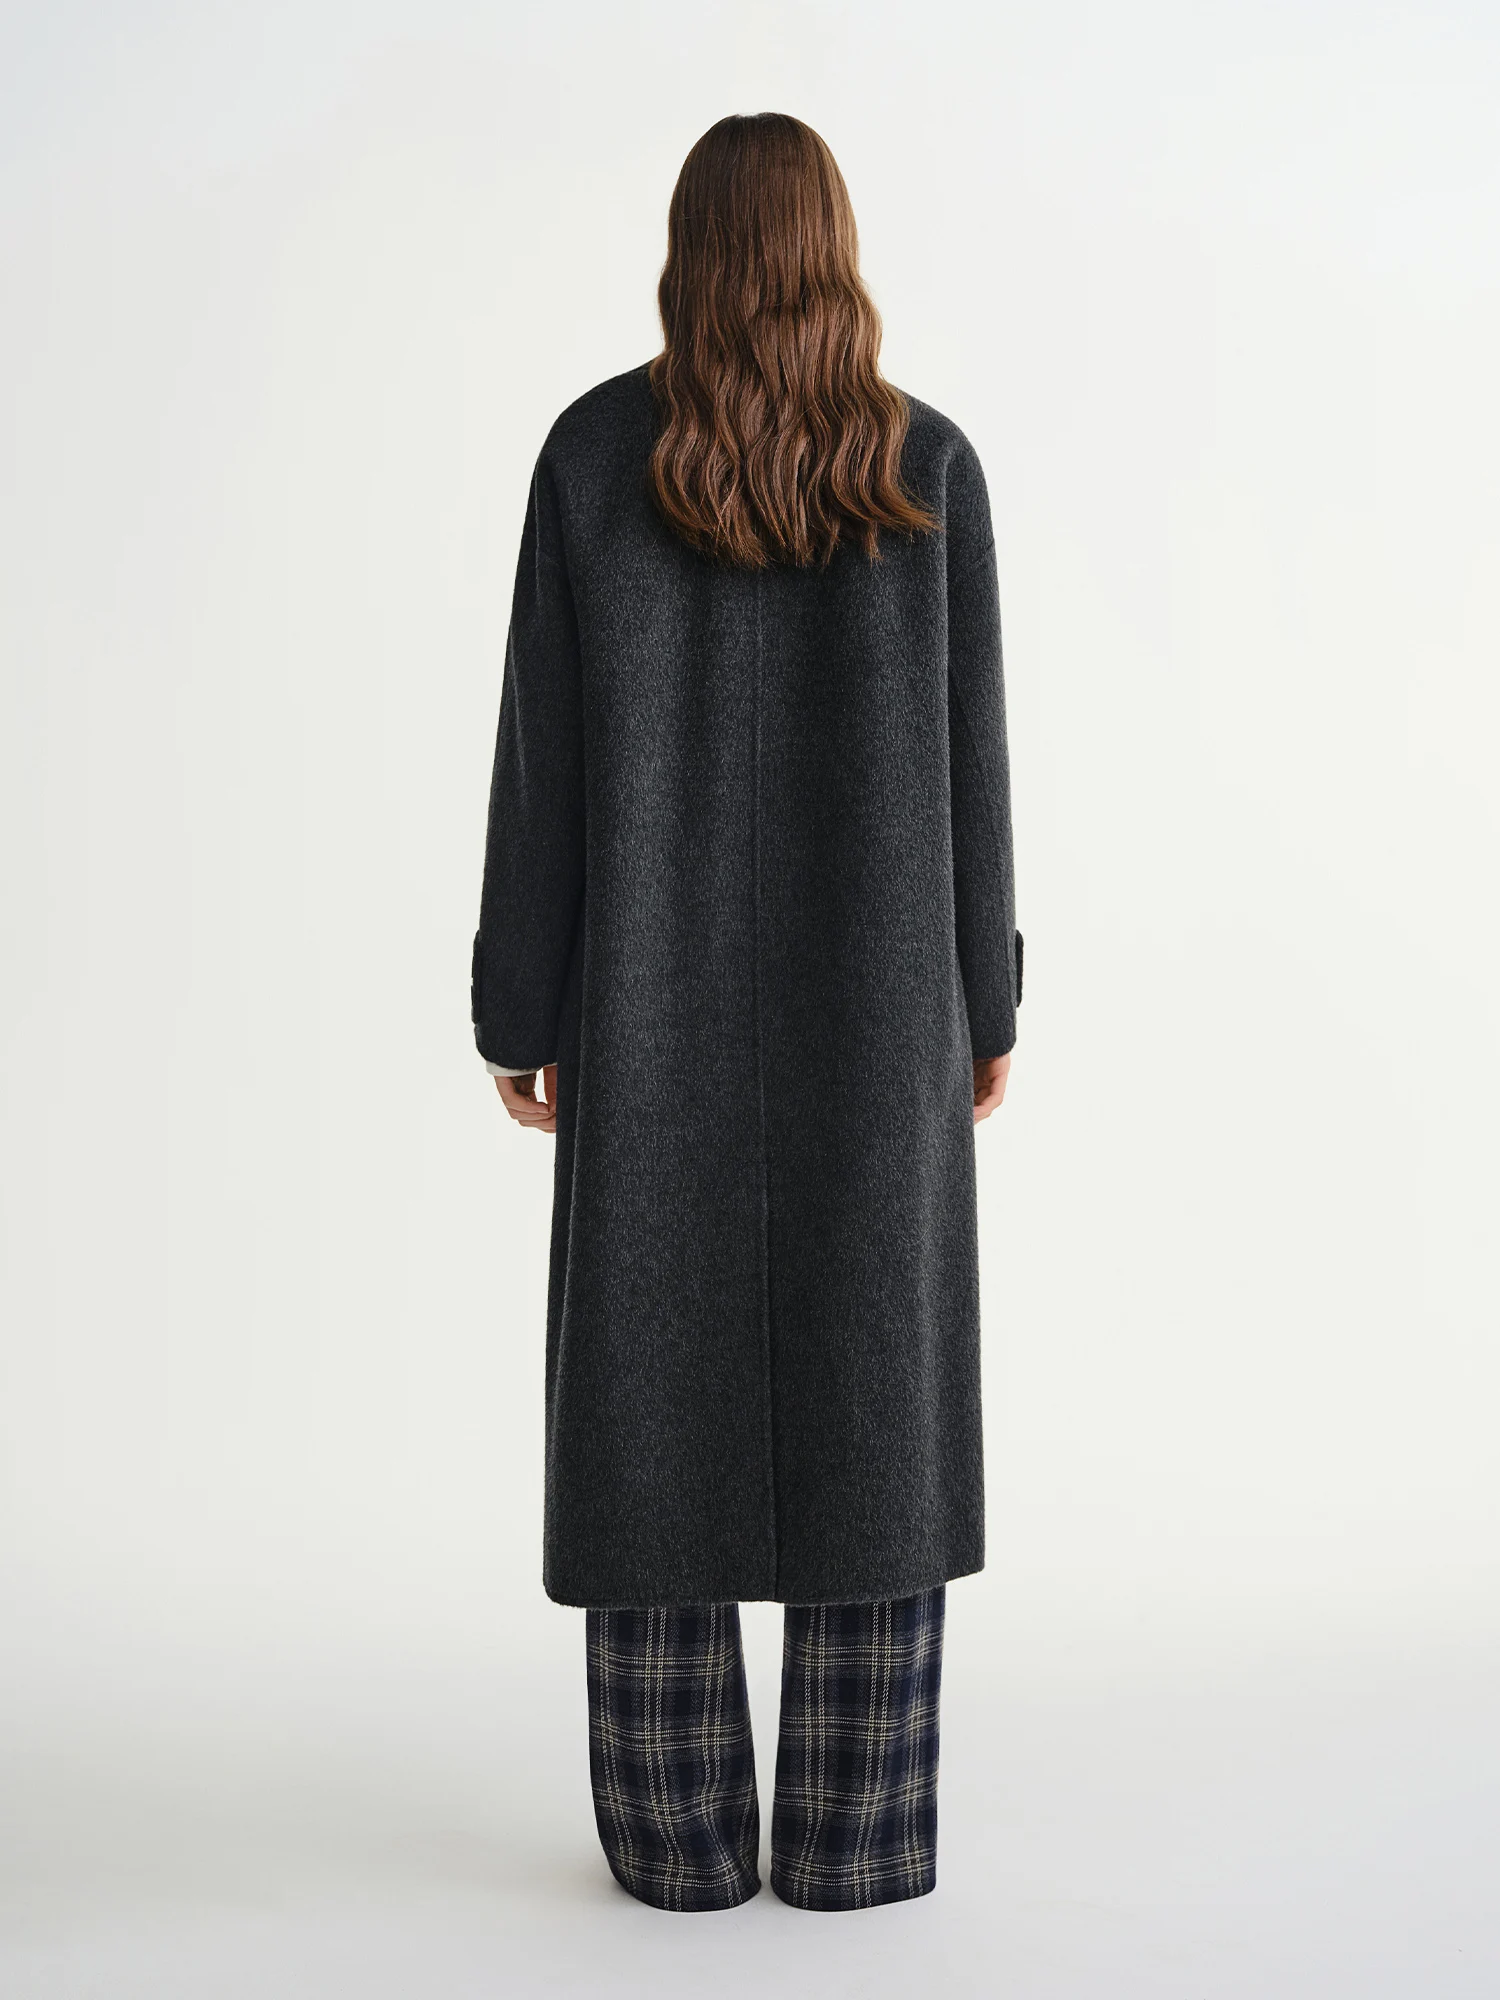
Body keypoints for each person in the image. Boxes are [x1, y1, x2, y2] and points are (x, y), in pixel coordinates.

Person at [471, 112, 1021, 1914]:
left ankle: (675, 1841)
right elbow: (978, 770)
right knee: (875, 1386)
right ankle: (857, 1835)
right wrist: (985, 996)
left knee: (652, 1390)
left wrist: (521, 1001)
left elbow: (542, 770)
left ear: (688, 248)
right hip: (881, 1011)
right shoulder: (927, 464)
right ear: (832, 247)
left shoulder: (591, 457)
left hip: (649, 1007)